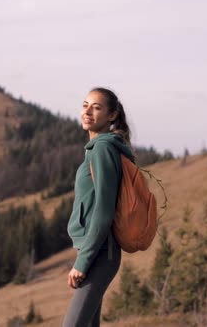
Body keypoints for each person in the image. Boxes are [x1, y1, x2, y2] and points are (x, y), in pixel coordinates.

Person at [62, 87, 135, 327]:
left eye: (96, 107)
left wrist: (82, 262)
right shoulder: (97, 149)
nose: (88, 111)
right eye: (85, 105)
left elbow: (104, 210)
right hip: (96, 251)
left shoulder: (103, 149)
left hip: (101, 253)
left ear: (112, 115)